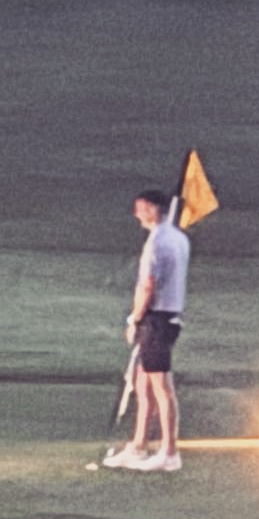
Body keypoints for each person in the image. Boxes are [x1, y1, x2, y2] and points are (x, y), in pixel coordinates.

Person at [103, 189, 190, 472]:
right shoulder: (179, 237)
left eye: (141, 208)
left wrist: (134, 319)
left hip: (156, 320)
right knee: (142, 384)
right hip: (166, 318)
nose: (136, 214)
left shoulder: (157, 242)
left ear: (154, 209)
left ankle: (169, 452)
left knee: (161, 387)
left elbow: (148, 286)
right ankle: (138, 446)